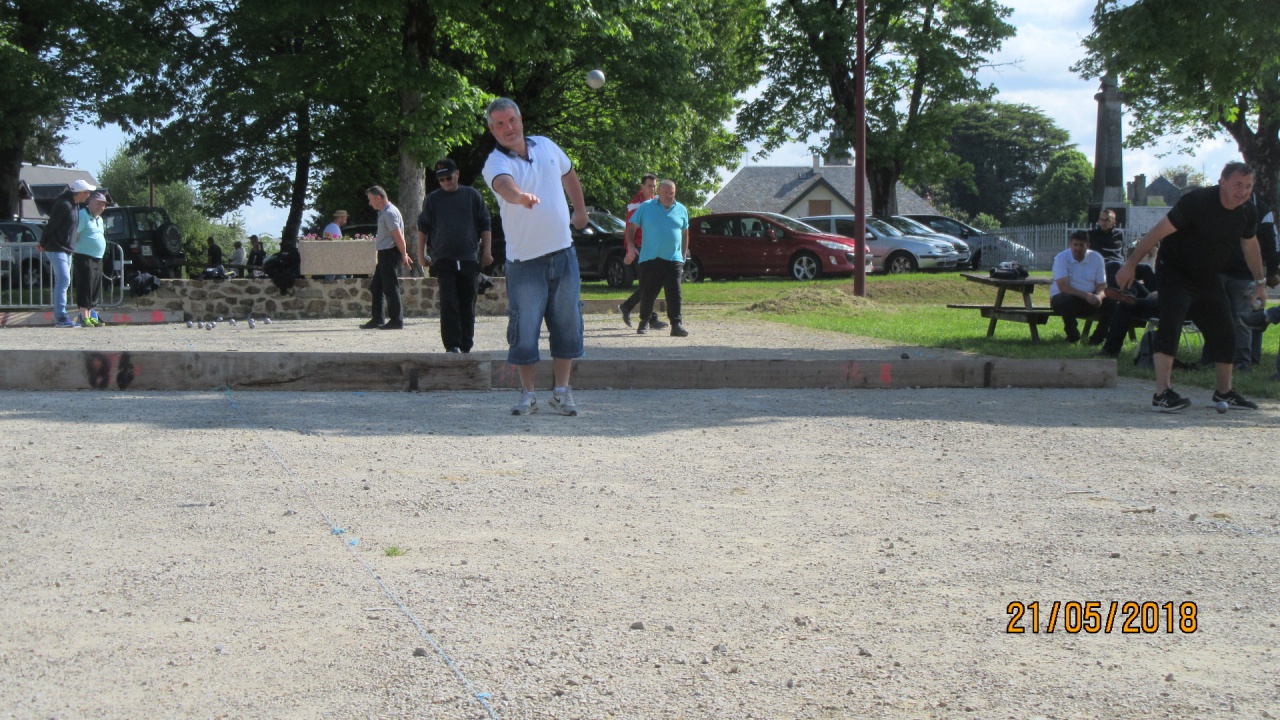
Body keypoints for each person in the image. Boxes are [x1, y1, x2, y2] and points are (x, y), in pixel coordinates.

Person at [1116, 161, 1266, 412]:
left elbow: (1250, 245)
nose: (1243, 192)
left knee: (1225, 330)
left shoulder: (1247, 211)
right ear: (1222, 182)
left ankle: (1224, 393)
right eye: (1238, 185)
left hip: (1207, 277)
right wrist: (1131, 264)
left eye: (1248, 186)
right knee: (1171, 323)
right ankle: (1162, 394)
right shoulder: (1198, 201)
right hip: (1175, 270)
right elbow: (1156, 233)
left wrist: (1260, 283)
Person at [481, 97, 589, 416]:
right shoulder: (495, 163)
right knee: (524, 329)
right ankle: (528, 395)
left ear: (520, 119)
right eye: (499, 124)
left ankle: (561, 392)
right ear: (492, 130)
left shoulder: (545, 145)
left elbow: (568, 173)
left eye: (511, 120)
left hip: (563, 254)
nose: (508, 128)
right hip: (525, 262)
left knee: (567, 324)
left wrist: (580, 210)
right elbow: (504, 186)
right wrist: (520, 197)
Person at [416, 157, 493, 353]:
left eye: (448, 178)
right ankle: (452, 345)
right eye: (441, 180)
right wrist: (420, 254)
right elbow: (423, 228)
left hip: (468, 257)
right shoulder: (433, 199)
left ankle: (466, 344)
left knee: (468, 301)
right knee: (448, 301)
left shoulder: (472, 195)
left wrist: (487, 251)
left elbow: (485, 224)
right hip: (443, 258)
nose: (445, 183)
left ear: (457, 174)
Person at [625, 179, 690, 337]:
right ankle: (644, 322)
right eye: (665, 193)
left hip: (674, 258)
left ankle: (676, 324)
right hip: (650, 258)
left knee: (674, 292)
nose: (668, 196)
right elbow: (631, 227)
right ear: (659, 192)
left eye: (671, 193)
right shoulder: (646, 207)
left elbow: (685, 233)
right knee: (648, 293)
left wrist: (683, 255)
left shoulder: (681, 209)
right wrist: (631, 246)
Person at [40, 178, 94, 327]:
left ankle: (61, 316)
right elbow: (52, 224)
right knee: (63, 280)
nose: (88, 195)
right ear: (80, 193)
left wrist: (73, 247)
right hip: (56, 247)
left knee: (63, 281)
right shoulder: (63, 204)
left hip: (67, 248)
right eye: (87, 192)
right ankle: (60, 317)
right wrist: (42, 242)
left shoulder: (75, 205)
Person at [616, 174, 666, 330]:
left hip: (653, 248)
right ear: (642, 186)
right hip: (640, 248)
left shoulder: (657, 202)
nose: (653, 188)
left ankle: (628, 307)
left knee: (650, 284)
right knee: (649, 284)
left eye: (654, 185)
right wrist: (629, 249)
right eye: (650, 185)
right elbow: (629, 229)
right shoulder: (635, 205)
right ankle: (650, 318)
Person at [360, 186, 411, 330]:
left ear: (378, 198)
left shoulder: (389, 213)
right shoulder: (385, 212)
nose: (369, 203)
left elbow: (398, 236)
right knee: (376, 287)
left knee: (390, 287)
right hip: (385, 253)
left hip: (389, 253)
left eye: (370, 199)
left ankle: (396, 320)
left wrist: (404, 254)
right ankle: (378, 318)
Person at [1049, 230, 1111, 344]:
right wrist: (1086, 296)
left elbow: (1102, 285)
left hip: (1089, 299)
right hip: (1064, 299)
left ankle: (1098, 337)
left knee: (1112, 302)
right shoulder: (1061, 258)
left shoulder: (1097, 258)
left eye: (1081, 245)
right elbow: (1063, 287)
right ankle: (1073, 336)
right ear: (1070, 245)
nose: (1077, 248)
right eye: (1075, 244)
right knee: (1066, 300)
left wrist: (1099, 297)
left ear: (1088, 245)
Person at [72, 192, 109, 327]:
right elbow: (75, 234)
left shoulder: (100, 219)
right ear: (90, 202)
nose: (101, 207)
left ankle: (90, 315)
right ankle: (84, 317)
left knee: (94, 287)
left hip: (97, 257)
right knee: (85, 286)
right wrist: (72, 250)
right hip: (84, 256)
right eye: (98, 203)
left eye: (103, 205)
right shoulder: (83, 215)